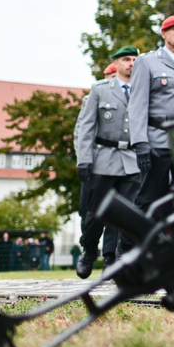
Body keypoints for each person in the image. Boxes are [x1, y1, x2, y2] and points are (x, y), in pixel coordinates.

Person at [74, 45, 143, 278]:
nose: (131, 63)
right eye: (126, 59)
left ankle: (118, 259)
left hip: (133, 160)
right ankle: (89, 250)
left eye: (135, 59)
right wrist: (84, 160)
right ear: (116, 63)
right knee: (96, 212)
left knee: (128, 213)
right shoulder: (100, 90)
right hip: (104, 159)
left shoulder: (144, 90)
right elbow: (86, 127)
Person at [129, 14, 174, 217]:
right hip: (157, 140)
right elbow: (137, 104)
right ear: (164, 33)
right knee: (150, 198)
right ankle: (130, 247)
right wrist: (140, 142)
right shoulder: (147, 62)